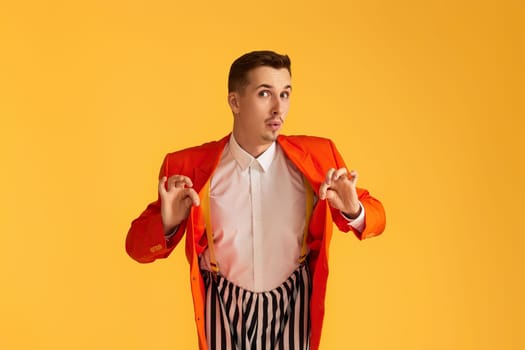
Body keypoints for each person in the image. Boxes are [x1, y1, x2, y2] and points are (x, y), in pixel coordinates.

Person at [126, 50, 386, 350]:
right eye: (265, 94)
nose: (279, 108)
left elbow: (377, 218)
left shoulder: (318, 157)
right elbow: (137, 248)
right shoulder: (187, 167)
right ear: (235, 102)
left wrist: (354, 209)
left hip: (293, 308)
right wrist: (167, 223)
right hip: (223, 310)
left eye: (285, 94)